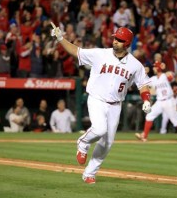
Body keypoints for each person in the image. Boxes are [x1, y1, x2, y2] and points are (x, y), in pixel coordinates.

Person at [51, 23, 151, 184]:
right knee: (99, 129)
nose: (115, 41)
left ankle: (89, 173)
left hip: (116, 105)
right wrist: (60, 38)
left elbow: (143, 84)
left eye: (119, 39)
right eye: (115, 38)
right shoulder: (100, 54)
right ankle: (83, 143)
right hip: (96, 98)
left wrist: (146, 99)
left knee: (107, 143)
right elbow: (76, 51)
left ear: (127, 43)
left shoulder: (135, 65)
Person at [135, 61, 177, 143]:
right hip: (159, 101)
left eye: (155, 67)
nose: (153, 68)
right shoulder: (154, 79)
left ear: (158, 68)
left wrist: (165, 69)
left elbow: (171, 76)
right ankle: (144, 136)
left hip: (168, 101)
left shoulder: (164, 76)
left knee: (175, 120)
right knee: (149, 115)